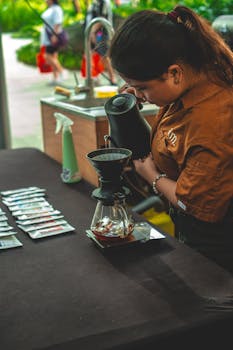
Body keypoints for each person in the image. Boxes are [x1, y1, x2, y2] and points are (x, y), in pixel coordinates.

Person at [109, 6, 233, 273]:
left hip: (217, 244)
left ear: (174, 73)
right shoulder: (196, 75)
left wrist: (150, 175)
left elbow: (194, 205)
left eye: (143, 87)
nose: (139, 94)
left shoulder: (213, 123)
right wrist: (142, 91)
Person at [85, 0, 116, 84]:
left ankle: (112, 78)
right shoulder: (94, 3)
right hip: (92, 32)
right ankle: (94, 77)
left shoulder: (104, 2)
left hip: (100, 33)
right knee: (89, 54)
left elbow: (102, 19)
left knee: (104, 56)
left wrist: (92, 32)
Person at [40, 0, 64, 85]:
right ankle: (55, 77)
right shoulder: (50, 9)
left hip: (53, 36)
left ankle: (61, 72)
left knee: (47, 56)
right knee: (53, 56)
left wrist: (55, 35)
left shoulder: (56, 9)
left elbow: (57, 22)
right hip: (47, 36)